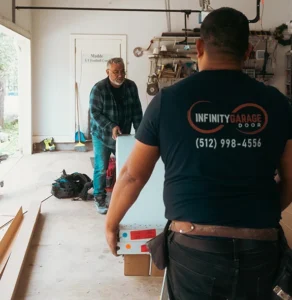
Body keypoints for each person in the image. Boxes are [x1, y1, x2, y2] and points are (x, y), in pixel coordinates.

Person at [105, 7, 292, 299]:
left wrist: (110, 222)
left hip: (194, 248)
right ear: (248, 50)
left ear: (200, 47)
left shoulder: (168, 101)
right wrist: (258, 218)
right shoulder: (278, 104)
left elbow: (131, 176)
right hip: (260, 247)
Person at [89, 57, 143, 215]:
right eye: (115, 72)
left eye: (122, 71)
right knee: (101, 168)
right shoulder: (98, 89)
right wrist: (111, 126)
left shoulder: (131, 86)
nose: (120, 75)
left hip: (123, 136)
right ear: (107, 72)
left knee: (125, 167)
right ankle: (99, 196)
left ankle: (123, 196)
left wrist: (141, 134)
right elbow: (95, 114)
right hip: (102, 136)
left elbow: (136, 111)